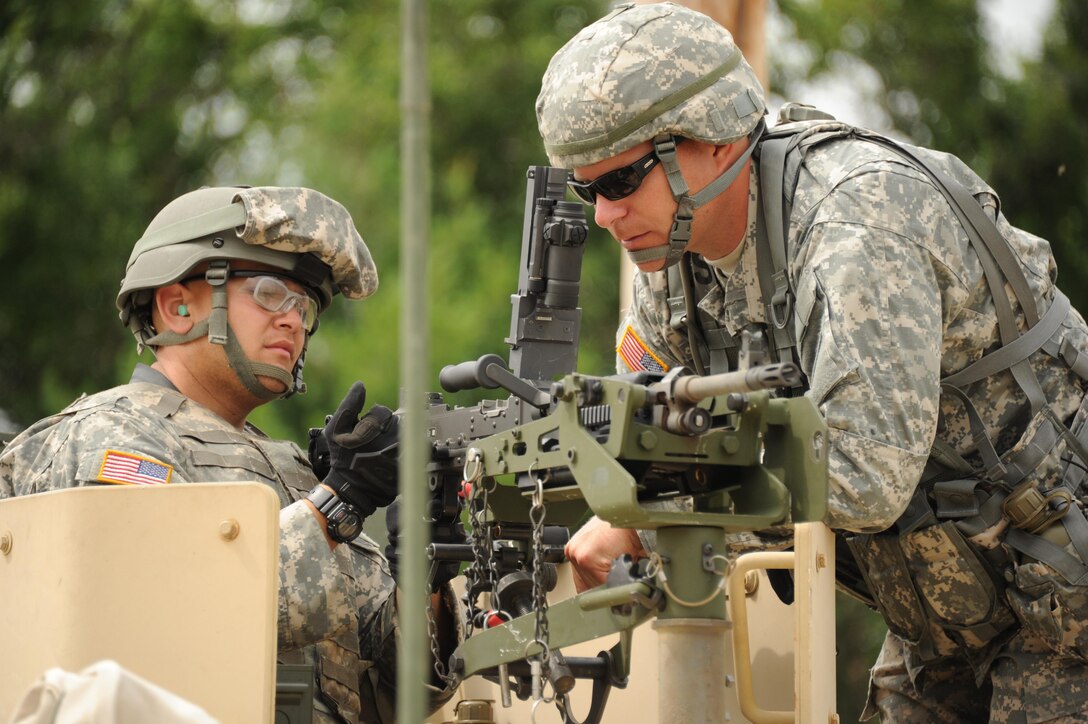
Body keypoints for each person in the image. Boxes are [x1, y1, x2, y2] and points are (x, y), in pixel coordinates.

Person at [536, 3, 1088, 721]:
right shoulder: (668, 269)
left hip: (1064, 595)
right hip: (947, 611)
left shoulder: (858, 222)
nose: (605, 216)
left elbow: (862, 479)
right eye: (587, 190)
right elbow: (655, 440)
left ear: (714, 138)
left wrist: (644, 515)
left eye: (620, 182)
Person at [0, 185, 456, 723]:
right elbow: (163, 621)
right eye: (268, 292)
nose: (292, 319)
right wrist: (338, 506)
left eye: (304, 304)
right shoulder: (113, 433)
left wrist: (423, 562)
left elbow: (404, 691)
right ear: (177, 304)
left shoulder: (295, 471)